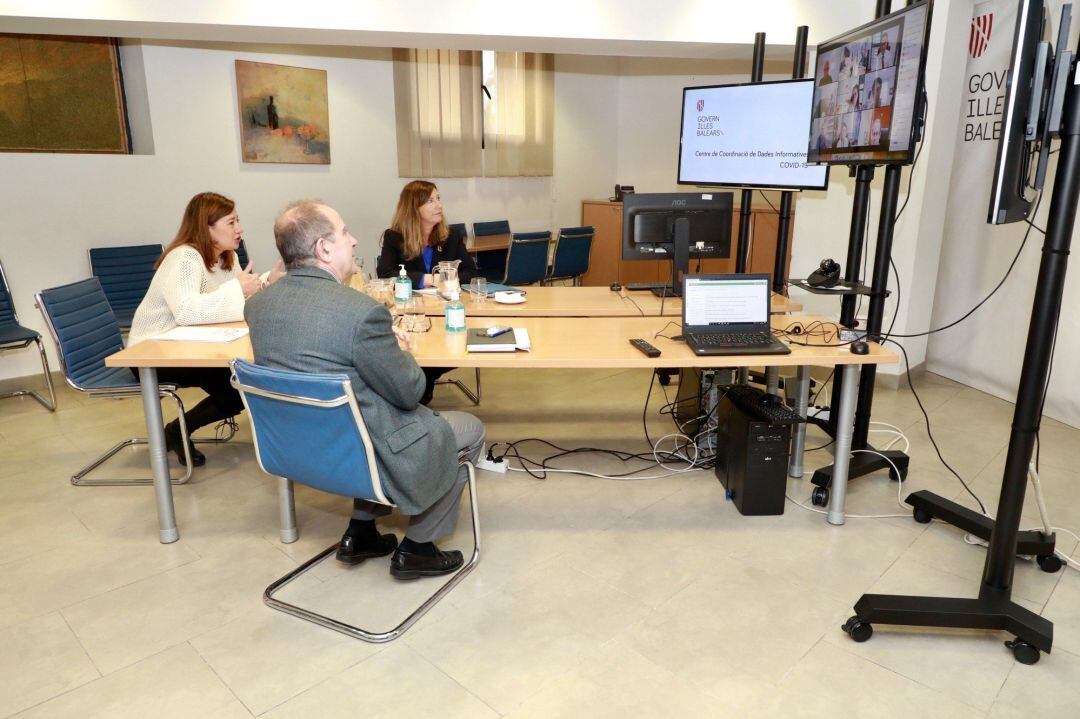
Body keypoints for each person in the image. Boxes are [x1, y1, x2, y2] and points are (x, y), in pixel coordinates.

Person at [246, 200, 485, 578]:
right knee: (470, 430)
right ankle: (419, 546)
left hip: (297, 450)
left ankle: (360, 532)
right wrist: (401, 350)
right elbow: (410, 392)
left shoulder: (258, 306)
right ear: (324, 249)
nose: (354, 240)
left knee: (355, 419)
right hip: (363, 449)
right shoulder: (361, 312)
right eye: (344, 233)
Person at [129, 191, 283, 466]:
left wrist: (264, 281)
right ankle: (177, 431)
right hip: (153, 352)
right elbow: (188, 311)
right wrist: (239, 288)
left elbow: (231, 295)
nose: (240, 229)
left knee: (239, 386)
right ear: (207, 228)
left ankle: (178, 429)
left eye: (238, 221)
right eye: (231, 223)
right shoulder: (184, 259)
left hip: (189, 346)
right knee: (237, 387)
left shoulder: (227, 256)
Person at [377, 180, 479, 404]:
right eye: (431, 201)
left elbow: (471, 272)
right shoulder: (394, 237)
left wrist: (446, 279)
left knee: (444, 353)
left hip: (446, 313)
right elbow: (385, 273)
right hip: (411, 316)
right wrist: (426, 279)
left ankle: (422, 382)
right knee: (414, 352)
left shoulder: (451, 236)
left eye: (439, 199)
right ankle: (420, 385)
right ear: (414, 208)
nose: (439, 205)